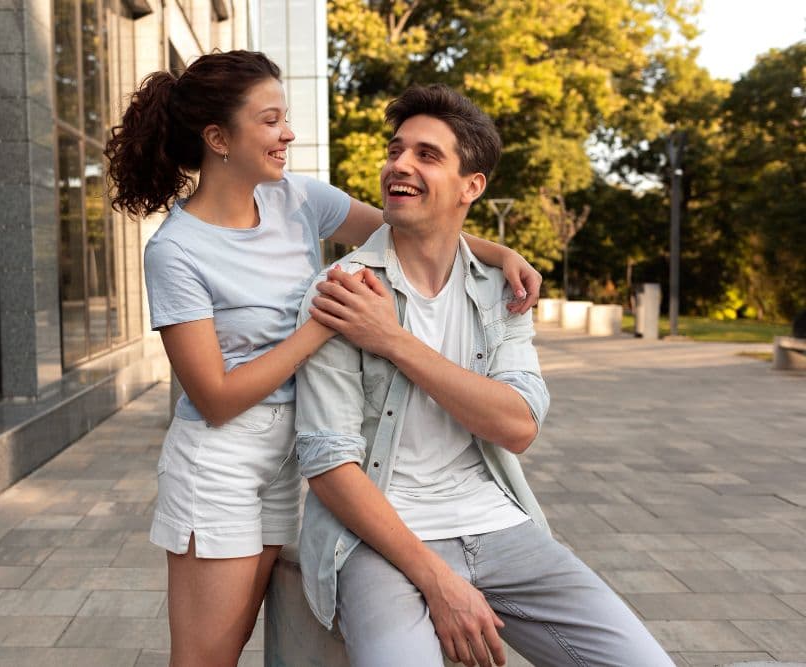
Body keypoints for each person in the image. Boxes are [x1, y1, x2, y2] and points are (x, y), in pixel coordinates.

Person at [104, 50, 541, 667]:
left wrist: (501, 254)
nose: (287, 133)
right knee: (207, 658)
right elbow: (215, 397)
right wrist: (324, 324)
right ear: (217, 138)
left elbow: (408, 229)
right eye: (271, 120)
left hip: (289, 461)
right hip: (221, 465)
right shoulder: (176, 251)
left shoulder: (297, 200)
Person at [296, 84, 672, 667]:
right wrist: (440, 583)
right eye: (396, 151)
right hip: (379, 541)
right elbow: (328, 464)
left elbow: (517, 425)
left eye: (427, 155)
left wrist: (393, 341)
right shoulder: (343, 292)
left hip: (499, 525)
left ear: (472, 187)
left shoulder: (501, 290)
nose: (400, 165)